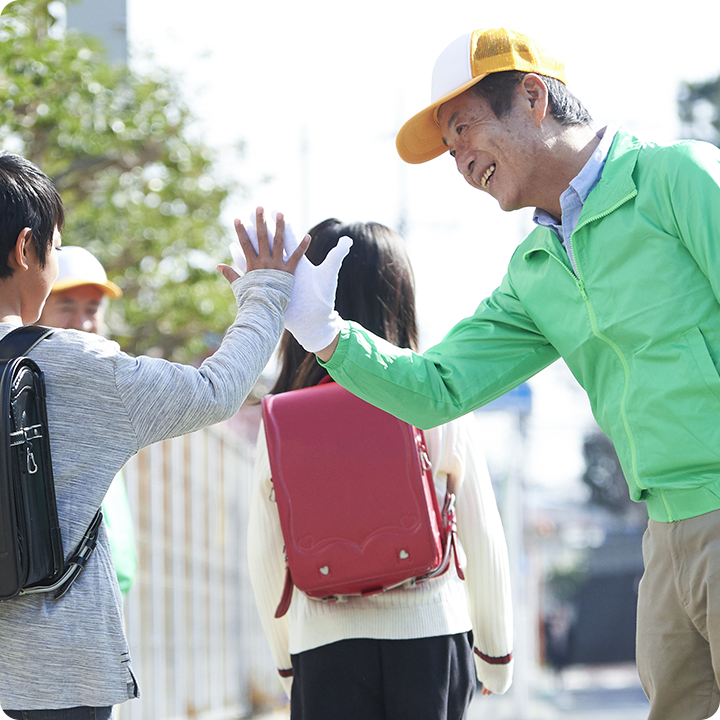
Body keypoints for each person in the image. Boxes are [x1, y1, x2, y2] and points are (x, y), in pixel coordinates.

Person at [278, 27, 720, 720]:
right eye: (450, 148)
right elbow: (436, 390)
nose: (459, 161)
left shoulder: (677, 179)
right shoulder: (535, 272)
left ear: (533, 97)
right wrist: (327, 336)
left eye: (464, 130)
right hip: (664, 534)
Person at [0, 150, 316, 718]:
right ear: (25, 249)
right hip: (60, 674)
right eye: (53, 247)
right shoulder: (73, 366)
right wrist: (266, 291)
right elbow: (215, 389)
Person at [247, 219, 513, 720]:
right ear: (402, 298)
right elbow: (480, 529)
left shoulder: (281, 415)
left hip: (323, 647)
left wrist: (287, 660)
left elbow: (263, 550)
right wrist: (496, 653)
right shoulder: (432, 396)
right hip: (431, 633)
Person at [38, 245, 136, 596]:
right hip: (54, 600)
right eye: (67, 306)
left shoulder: (103, 388)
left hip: (109, 595)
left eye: (92, 309)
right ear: (37, 309)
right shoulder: (25, 395)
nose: (82, 322)